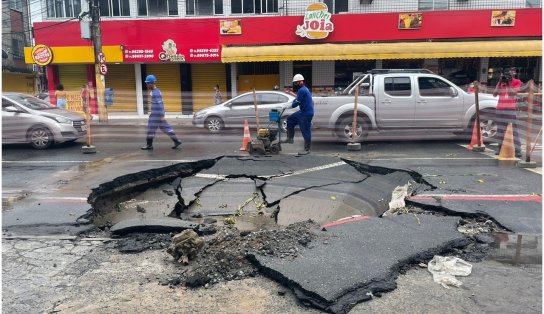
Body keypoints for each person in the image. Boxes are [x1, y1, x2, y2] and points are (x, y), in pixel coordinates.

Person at [141, 74, 182, 150]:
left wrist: (162, 115)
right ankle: (176, 141)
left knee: (150, 130)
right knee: (166, 128)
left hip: (156, 115)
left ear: (151, 83)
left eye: (147, 83)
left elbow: (160, 104)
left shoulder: (155, 93)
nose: (146, 85)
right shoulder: (155, 91)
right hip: (157, 114)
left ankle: (149, 145)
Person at [493, 67, 522, 158]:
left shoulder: (517, 82)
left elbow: (513, 93)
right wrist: (500, 82)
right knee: (500, 129)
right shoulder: (501, 82)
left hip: (510, 109)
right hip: (500, 108)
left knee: (513, 130)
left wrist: (508, 84)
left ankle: (517, 149)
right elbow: (494, 94)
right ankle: (499, 147)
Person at [281, 74, 314, 155]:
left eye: (296, 83)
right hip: (302, 112)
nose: (295, 85)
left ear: (300, 82)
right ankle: (290, 138)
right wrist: (287, 104)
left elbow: (296, 104)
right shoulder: (303, 89)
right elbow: (296, 100)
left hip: (306, 114)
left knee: (305, 130)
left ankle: (307, 149)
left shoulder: (302, 90)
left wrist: (288, 106)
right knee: (290, 119)